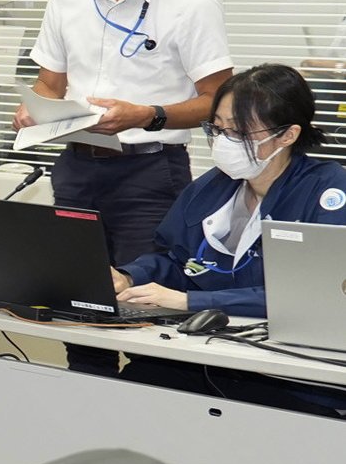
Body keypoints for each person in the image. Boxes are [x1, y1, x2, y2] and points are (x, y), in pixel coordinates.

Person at [16, 0, 232, 266]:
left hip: (149, 172)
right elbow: (50, 85)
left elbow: (218, 101)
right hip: (76, 166)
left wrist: (146, 116)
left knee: (140, 297)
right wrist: (34, 109)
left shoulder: (192, 3)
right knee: (73, 293)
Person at [115, 65, 346, 319]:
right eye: (217, 129)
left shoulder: (327, 191)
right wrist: (130, 277)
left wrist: (192, 301)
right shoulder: (212, 187)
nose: (224, 141)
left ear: (288, 135)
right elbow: (182, 263)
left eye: (238, 131)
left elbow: (312, 292)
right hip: (216, 336)